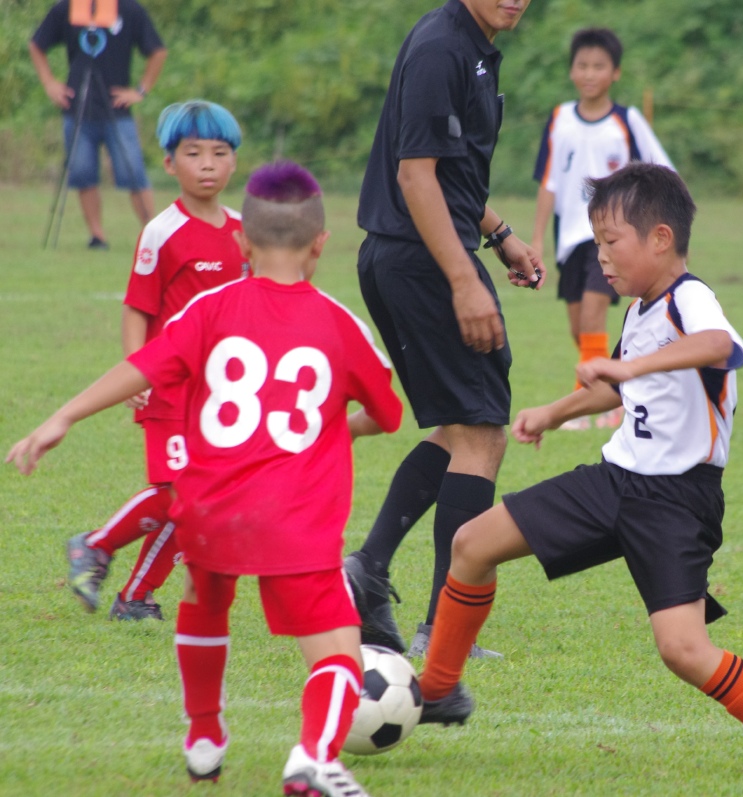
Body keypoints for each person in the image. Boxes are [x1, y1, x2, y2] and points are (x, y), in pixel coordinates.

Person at [413, 163, 743, 781]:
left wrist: (627, 370)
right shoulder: (642, 310)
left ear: (661, 239)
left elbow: (721, 346)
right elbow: (615, 386)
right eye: (596, 243)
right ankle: (437, 689)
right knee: (471, 544)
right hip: (613, 480)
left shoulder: (689, 299)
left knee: (683, 650)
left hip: (677, 502)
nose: (601, 257)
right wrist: (553, 412)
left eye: (611, 242)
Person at [8, 161, 404, 796]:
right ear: (320, 245)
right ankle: (313, 758)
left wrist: (64, 416)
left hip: (210, 508)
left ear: (242, 242)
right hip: (296, 517)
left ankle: (203, 736)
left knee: (204, 600)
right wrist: (342, 427)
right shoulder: (339, 324)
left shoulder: (209, 308)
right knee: (338, 650)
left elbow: (143, 366)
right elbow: (387, 414)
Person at [349, 0, 542, 659]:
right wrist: (463, 279)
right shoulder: (443, 47)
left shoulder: (472, 42)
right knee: (482, 433)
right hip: (422, 260)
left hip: (409, 256)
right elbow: (415, 174)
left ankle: (369, 570)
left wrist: (501, 233)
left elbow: (449, 167)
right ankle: (441, 626)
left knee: (462, 430)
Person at [64, 99, 246, 622]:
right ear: (169, 163)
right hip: (169, 386)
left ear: (234, 161)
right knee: (181, 491)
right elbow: (138, 307)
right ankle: (95, 545)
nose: (208, 164)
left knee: (200, 501)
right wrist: (137, 370)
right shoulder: (161, 231)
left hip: (220, 394)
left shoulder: (243, 229)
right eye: (194, 153)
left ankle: (136, 597)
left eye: (219, 153)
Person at [532, 27, 673, 431]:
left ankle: (589, 404)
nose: (589, 74)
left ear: (615, 73)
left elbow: (662, 171)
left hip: (614, 238)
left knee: (593, 317)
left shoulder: (627, 121)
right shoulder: (559, 119)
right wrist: (537, 240)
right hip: (570, 240)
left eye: (599, 66)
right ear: (571, 71)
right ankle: (615, 392)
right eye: (582, 66)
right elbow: (548, 183)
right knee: (580, 328)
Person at [30, 0, 167, 249]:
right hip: (77, 106)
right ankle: (97, 236)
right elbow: (37, 44)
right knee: (83, 173)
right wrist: (49, 83)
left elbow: (157, 51)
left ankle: (154, 235)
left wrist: (140, 90)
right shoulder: (67, 7)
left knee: (133, 172)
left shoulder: (129, 9)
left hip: (117, 109)